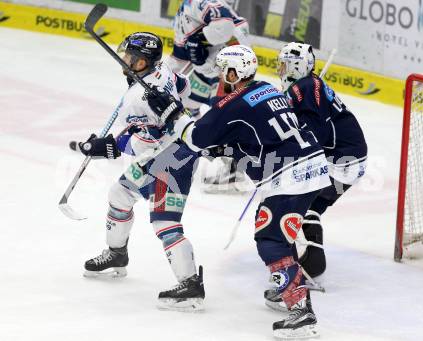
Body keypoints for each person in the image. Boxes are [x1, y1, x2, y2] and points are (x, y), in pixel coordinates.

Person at [146, 45, 332, 339]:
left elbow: (194, 137)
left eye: (224, 70)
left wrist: (173, 113)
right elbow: (253, 132)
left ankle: (302, 312)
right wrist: (226, 145)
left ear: (235, 72)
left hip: (289, 175)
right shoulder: (267, 89)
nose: (221, 76)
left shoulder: (232, 103)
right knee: (280, 232)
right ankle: (291, 290)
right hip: (313, 166)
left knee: (270, 240)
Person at [77, 32, 205, 312]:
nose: (123, 61)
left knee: (164, 223)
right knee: (120, 195)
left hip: (171, 160)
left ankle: (191, 284)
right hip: (162, 153)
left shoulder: (137, 97)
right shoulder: (164, 70)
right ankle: (117, 254)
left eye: (129, 57)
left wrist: (107, 146)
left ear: (141, 61)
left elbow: (144, 142)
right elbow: (183, 88)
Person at [264, 42, 368, 312]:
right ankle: (311, 263)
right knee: (308, 207)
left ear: (297, 66)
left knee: (290, 202)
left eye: (285, 63)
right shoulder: (305, 87)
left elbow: (313, 134)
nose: (280, 69)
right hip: (348, 160)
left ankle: (299, 272)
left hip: (341, 161)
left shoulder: (306, 87)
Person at [166, 0, 250, 192]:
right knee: (182, 103)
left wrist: (200, 39)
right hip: (208, 70)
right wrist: (158, 76)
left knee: (224, 114)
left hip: (233, 64)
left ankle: (233, 169)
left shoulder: (202, 3)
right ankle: (194, 144)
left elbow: (226, 28)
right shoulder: (183, 13)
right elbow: (180, 57)